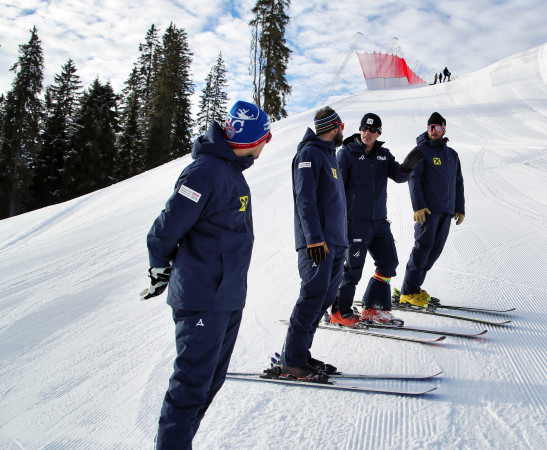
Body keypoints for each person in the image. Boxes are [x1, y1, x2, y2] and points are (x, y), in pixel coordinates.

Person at [143, 100, 271, 449]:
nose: (267, 143)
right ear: (250, 140)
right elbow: (165, 229)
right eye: (266, 137)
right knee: (191, 387)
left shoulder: (228, 172)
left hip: (225, 297)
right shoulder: (206, 171)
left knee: (209, 383)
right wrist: (160, 267)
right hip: (203, 298)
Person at [330, 113, 425, 327]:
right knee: (352, 270)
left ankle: (374, 308)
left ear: (378, 133)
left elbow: (399, 175)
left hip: (379, 222)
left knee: (388, 263)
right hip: (355, 223)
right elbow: (336, 189)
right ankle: (339, 312)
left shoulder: (384, 155)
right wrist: (338, 221)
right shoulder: (347, 154)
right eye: (364, 128)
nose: (367, 133)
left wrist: (408, 167)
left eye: (372, 130)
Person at [279, 106, 348, 380]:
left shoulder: (329, 156)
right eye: (342, 126)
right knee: (311, 298)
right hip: (317, 244)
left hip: (335, 243)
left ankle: (302, 355)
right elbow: (304, 198)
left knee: (324, 300)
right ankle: (292, 360)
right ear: (337, 126)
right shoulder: (309, 153)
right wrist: (314, 239)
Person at [398, 112, 465, 307]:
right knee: (422, 249)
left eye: (437, 128)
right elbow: (414, 179)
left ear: (444, 129)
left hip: (446, 211)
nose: (433, 131)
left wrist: (459, 208)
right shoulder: (421, 150)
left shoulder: (452, 154)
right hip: (427, 212)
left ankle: (415, 287)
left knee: (434, 251)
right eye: (430, 128)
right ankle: (408, 292)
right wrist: (418, 206)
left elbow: (458, 182)